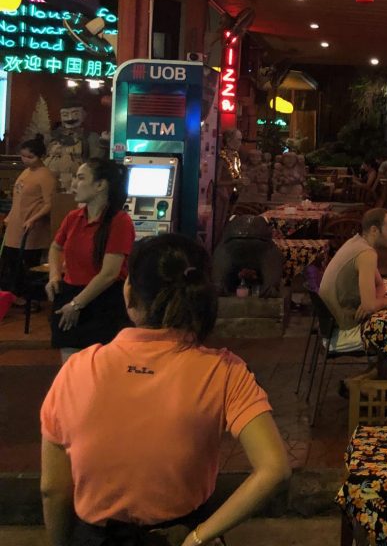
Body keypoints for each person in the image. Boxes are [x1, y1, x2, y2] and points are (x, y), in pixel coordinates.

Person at [39, 234, 290, 546]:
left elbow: (53, 488)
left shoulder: (77, 369)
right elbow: (274, 468)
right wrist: (200, 537)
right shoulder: (224, 371)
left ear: (129, 294)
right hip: (180, 534)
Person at [46, 159, 135, 362]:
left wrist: (77, 304)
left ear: (100, 185)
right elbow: (55, 247)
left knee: (99, 370)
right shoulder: (73, 217)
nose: (74, 184)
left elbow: (109, 274)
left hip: (103, 301)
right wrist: (53, 276)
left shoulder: (120, 222)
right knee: (70, 369)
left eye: (81, 177)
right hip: (69, 294)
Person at [319, 207, 387, 353]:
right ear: (374, 230)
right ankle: (382, 374)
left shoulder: (357, 242)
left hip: (333, 326)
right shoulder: (366, 254)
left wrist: (374, 302)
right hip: (342, 333)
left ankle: (376, 373)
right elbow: (369, 306)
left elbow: (380, 285)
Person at [1, 137, 58, 302]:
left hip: (31, 227)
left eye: (29, 157)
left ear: (40, 156)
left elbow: (50, 203)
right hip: (16, 224)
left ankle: (28, 298)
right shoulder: (26, 172)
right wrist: (10, 216)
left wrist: (34, 218)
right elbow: (17, 198)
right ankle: (12, 295)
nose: (25, 160)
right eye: (23, 156)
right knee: (10, 262)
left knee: (26, 264)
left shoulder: (46, 176)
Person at [213, 128, 243, 247]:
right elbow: (217, 180)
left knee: (225, 223)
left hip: (232, 194)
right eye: (238, 140)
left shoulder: (235, 156)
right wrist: (236, 181)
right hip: (222, 195)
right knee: (218, 225)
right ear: (229, 140)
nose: (240, 143)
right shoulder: (222, 158)